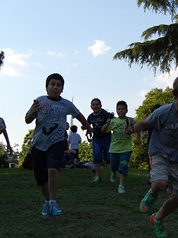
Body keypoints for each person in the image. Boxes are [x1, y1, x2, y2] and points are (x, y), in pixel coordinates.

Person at [128, 75, 178, 238]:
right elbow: (144, 123)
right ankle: (152, 194)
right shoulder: (163, 112)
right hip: (160, 152)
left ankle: (157, 218)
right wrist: (131, 130)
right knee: (159, 183)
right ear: (176, 94)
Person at [25, 73, 92, 217]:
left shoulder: (66, 104)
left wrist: (88, 127)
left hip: (57, 141)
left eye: (58, 85)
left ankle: (53, 202)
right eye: (52, 84)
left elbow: (78, 115)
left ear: (62, 89)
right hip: (39, 143)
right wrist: (32, 111)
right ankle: (47, 202)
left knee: (53, 168)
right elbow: (27, 120)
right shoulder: (39, 101)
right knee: (41, 176)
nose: (55, 87)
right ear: (46, 87)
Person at [102, 100, 134, 194]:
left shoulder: (130, 120)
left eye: (123, 109)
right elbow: (103, 131)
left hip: (126, 148)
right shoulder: (113, 121)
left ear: (126, 110)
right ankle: (113, 172)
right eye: (119, 109)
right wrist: (107, 124)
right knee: (113, 166)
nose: (121, 111)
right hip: (114, 149)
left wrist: (137, 137)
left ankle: (121, 186)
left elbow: (136, 129)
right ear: (116, 111)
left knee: (123, 166)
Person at [87, 98, 114, 183]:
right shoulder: (90, 116)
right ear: (91, 106)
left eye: (97, 104)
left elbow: (113, 121)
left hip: (107, 138)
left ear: (100, 106)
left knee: (108, 157)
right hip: (96, 139)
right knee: (97, 156)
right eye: (93, 105)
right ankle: (98, 176)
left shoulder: (105, 114)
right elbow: (88, 125)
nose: (95, 106)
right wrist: (87, 132)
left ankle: (113, 173)